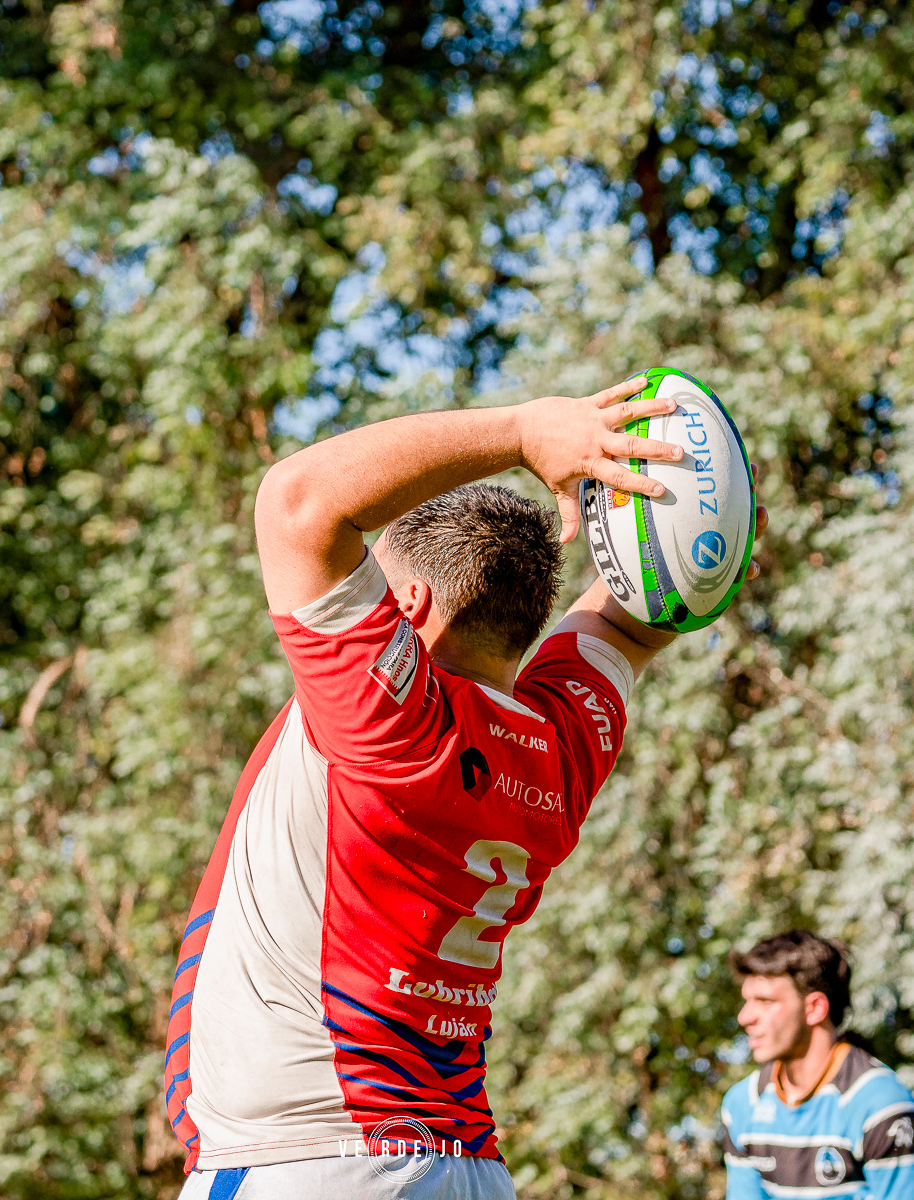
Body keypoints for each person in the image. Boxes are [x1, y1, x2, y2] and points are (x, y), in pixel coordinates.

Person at [162, 379, 767, 1199]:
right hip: (465, 1168)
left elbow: (297, 500)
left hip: (315, 1163)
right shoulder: (562, 743)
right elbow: (636, 616)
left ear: (404, 603)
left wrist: (528, 430)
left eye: (370, 583)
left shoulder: (384, 717)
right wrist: (705, 538)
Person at [720, 931, 914, 1199]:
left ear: (815, 1008)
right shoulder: (742, 1103)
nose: (744, 1016)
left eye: (764, 1001)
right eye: (747, 1001)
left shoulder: (883, 1107)